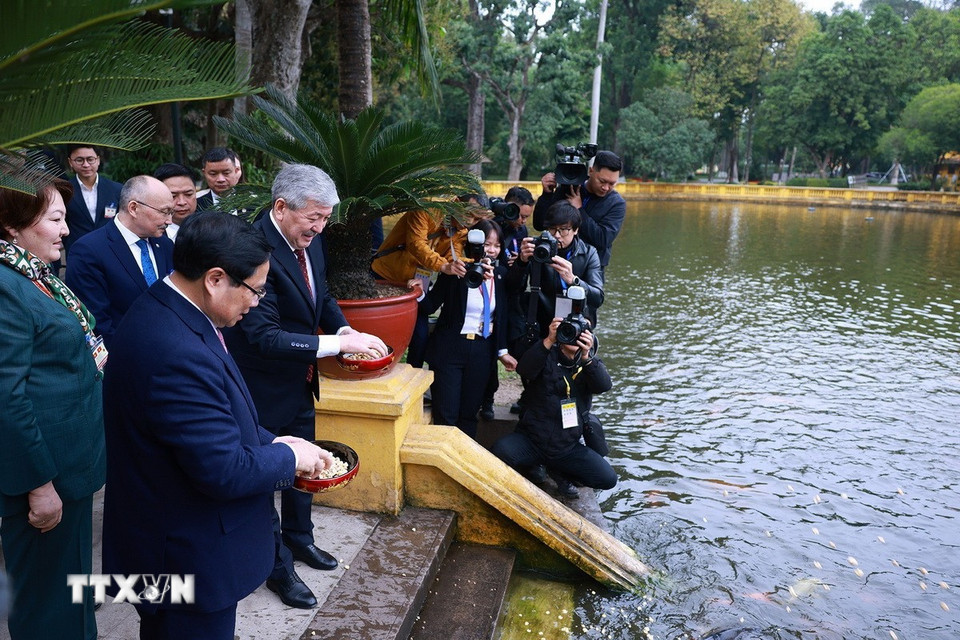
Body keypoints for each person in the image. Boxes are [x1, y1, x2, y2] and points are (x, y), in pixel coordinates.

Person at [101, 211, 336, 639]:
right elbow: (222, 469)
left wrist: (275, 440)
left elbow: (211, 419)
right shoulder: (175, 352)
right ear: (214, 279)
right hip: (183, 560)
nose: (257, 302)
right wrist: (289, 457)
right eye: (255, 290)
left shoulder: (168, 306)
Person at [222, 163, 386, 610]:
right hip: (261, 388)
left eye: (326, 218)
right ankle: (277, 566)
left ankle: (300, 537)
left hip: (301, 382)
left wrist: (344, 329)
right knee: (267, 477)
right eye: (313, 217)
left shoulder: (309, 240)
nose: (320, 227)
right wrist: (336, 345)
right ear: (281, 207)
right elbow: (264, 336)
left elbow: (322, 296)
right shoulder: (253, 249)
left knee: (307, 465)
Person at [0, 178, 107, 639]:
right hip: (45, 481)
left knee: (70, 594)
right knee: (47, 607)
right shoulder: (7, 286)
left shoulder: (34, 275)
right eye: (56, 218)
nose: (66, 230)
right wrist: (39, 486)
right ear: (13, 226)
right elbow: (7, 398)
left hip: (71, 470)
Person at [491, 318, 617, 498]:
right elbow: (525, 370)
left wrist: (587, 357)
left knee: (607, 478)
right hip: (532, 440)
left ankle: (560, 472)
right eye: (569, 332)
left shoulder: (588, 363)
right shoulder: (545, 355)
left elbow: (603, 386)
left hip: (566, 446)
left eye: (580, 335)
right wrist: (549, 340)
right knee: (499, 452)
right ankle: (535, 465)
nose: (574, 339)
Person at [416, 220, 517, 439]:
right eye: (487, 244)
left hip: (482, 350)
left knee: (469, 415)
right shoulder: (456, 270)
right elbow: (430, 305)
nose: (492, 250)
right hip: (451, 349)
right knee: (446, 414)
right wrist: (417, 292)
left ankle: (464, 455)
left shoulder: (500, 275)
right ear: (474, 244)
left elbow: (501, 318)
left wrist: (502, 352)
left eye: (497, 245)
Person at [371, 193, 491, 369]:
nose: (470, 221)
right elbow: (416, 244)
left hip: (415, 287)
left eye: (477, 219)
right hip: (385, 276)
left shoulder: (460, 232)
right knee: (380, 332)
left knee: (420, 337)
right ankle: (374, 370)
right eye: (469, 214)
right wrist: (443, 266)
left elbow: (453, 258)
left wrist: (477, 265)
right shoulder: (425, 209)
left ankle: (414, 377)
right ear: (456, 202)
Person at [65, 175, 175, 349]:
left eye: (171, 212)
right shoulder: (88, 251)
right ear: (133, 208)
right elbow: (97, 323)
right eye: (164, 212)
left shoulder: (165, 245)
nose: (169, 220)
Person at [505, 200, 604, 350]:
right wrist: (521, 262)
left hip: (575, 325)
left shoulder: (588, 253)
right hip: (540, 323)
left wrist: (574, 280)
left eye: (563, 230)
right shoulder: (538, 249)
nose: (557, 236)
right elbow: (512, 289)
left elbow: (598, 298)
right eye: (552, 229)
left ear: (576, 230)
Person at [480, 186, 535, 419]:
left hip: (514, 296)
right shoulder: (492, 228)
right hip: (490, 293)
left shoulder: (522, 232)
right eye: (520, 215)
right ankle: (487, 401)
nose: (522, 221)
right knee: (488, 349)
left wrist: (521, 263)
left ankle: (529, 396)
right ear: (508, 208)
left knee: (520, 346)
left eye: (527, 217)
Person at [534, 150, 625, 276]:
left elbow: (603, 240)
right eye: (602, 181)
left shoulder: (616, 203)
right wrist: (546, 195)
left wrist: (579, 209)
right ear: (591, 171)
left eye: (612, 184)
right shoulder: (570, 187)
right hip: (556, 261)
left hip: (590, 268)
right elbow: (540, 224)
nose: (606, 187)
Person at [63, 144, 123, 250]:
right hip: (78, 250)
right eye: (79, 160)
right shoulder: (64, 191)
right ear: (70, 162)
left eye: (90, 159)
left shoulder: (116, 189)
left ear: (98, 160)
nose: (86, 165)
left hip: (111, 249)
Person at [153, 163, 199, 241]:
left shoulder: (210, 228)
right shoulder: (150, 235)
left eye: (188, 194)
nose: (182, 202)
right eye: (173, 196)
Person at [196, 147, 242, 211]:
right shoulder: (195, 206)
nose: (220, 179)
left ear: (236, 171)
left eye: (226, 173)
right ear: (204, 173)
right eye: (213, 174)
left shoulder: (252, 203)